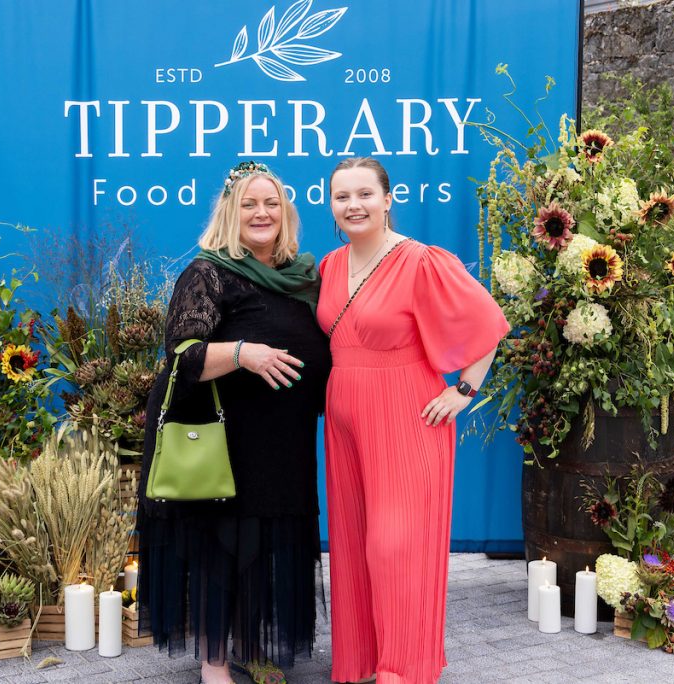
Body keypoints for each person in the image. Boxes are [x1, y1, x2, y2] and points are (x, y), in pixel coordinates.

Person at [316, 158, 510, 684]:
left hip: (406, 413)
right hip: (344, 420)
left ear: (387, 200)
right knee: (353, 541)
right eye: (341, 196)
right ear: (331, 205)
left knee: (394, 544)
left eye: (364, 194)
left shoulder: (420, 260)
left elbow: (488, 323)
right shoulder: (330, 266)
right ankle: (360, 661)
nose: (353, 205)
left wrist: (464, 390)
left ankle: (401, 669)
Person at [138, 161, 330, 684]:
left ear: (285, 212)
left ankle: (250, 644)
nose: (261, 213)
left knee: (264, 547)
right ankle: (214, 662)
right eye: (249, 204)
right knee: (222, 547)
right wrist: (245, 353)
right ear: (230, 212)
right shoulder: (209, 273)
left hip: (283, 441)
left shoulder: (302, 278)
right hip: (225, 438)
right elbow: (183, 355)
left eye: (271, 203)